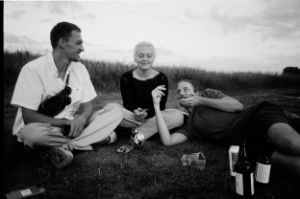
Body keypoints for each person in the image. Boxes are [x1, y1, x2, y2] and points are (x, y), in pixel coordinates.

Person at [10, 22, 123, 169]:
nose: (82, 48)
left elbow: (88, 106)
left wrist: (81, 119)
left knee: (116, 110)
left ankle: (67, 146)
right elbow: (28, 116)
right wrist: (66, 123)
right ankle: (94, 137)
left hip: (73, 125)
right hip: (46, 127)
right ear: (63, 42)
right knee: (31, 133)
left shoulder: (80, 69)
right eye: (78, 43)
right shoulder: (32, 70)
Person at [151, 79, 300, 176]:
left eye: (185, 89)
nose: (181, 93)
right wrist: (156, 106)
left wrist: (201, 100)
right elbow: (168, 141)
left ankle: (291, 120)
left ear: (196, 92)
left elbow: (237, 106)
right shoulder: (190, 125)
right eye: (178, 91)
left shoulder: (208, 94)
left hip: (255, 117)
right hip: (247, 145)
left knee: (292, 144)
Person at [112, 41, 184, 143]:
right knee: (112, 108)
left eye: (149, 56)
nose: (145, 59)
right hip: (132, 117)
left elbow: (161, 106)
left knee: (178, 115)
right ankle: (151, 132)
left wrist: (147, 114)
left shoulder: (161, 78)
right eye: (141, 55)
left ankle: (134, 132)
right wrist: (137, 112)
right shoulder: (126, 77)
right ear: (135, 57)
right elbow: (128, 104)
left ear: (153, 58)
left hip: (154, 118)